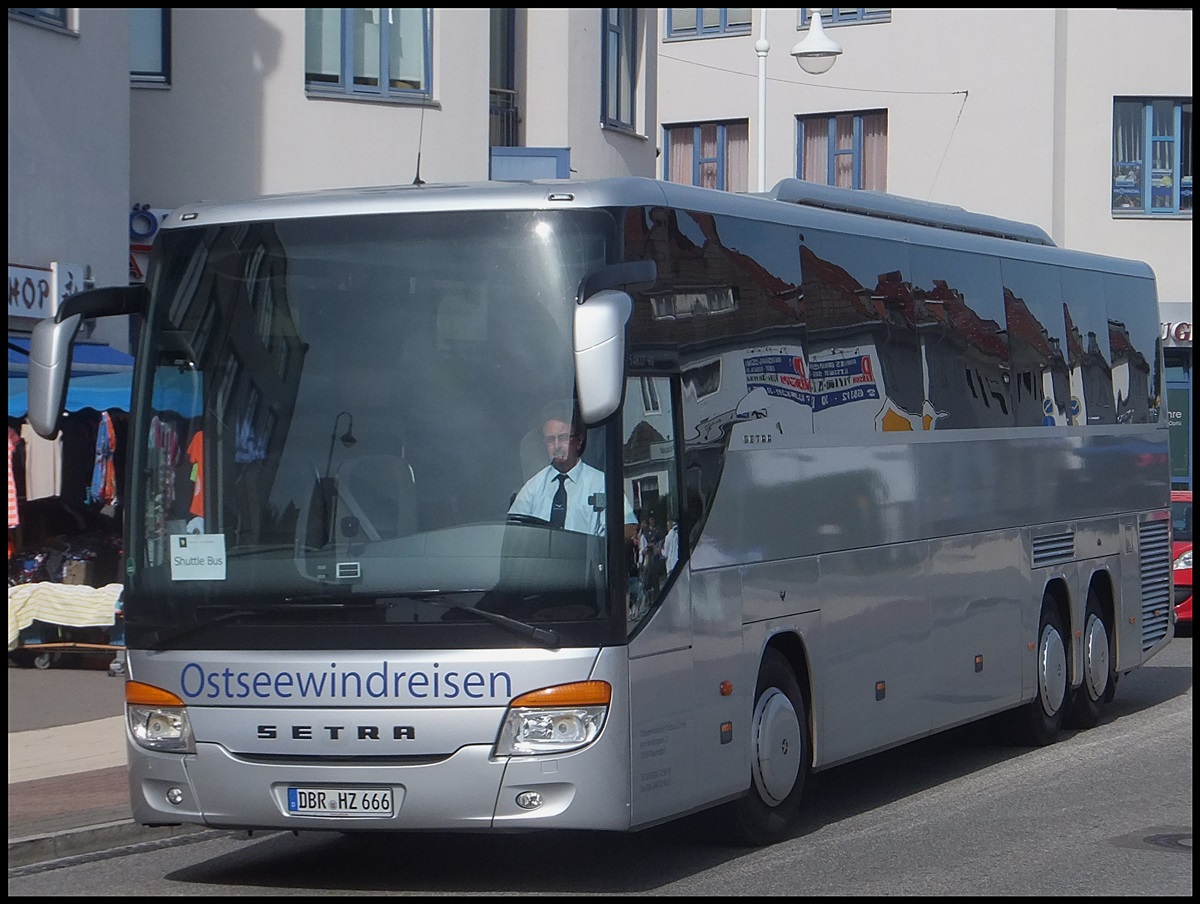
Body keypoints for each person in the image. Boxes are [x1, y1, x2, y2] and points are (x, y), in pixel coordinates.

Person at [509, 403, 637, 541]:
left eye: (563, 437)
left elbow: (629, 529)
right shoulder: (532, 488)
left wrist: (596, 546)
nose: (557, 446)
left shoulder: (601, 484)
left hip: (587, 561)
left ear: (579, 441)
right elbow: (513, 532)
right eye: (550, 439)